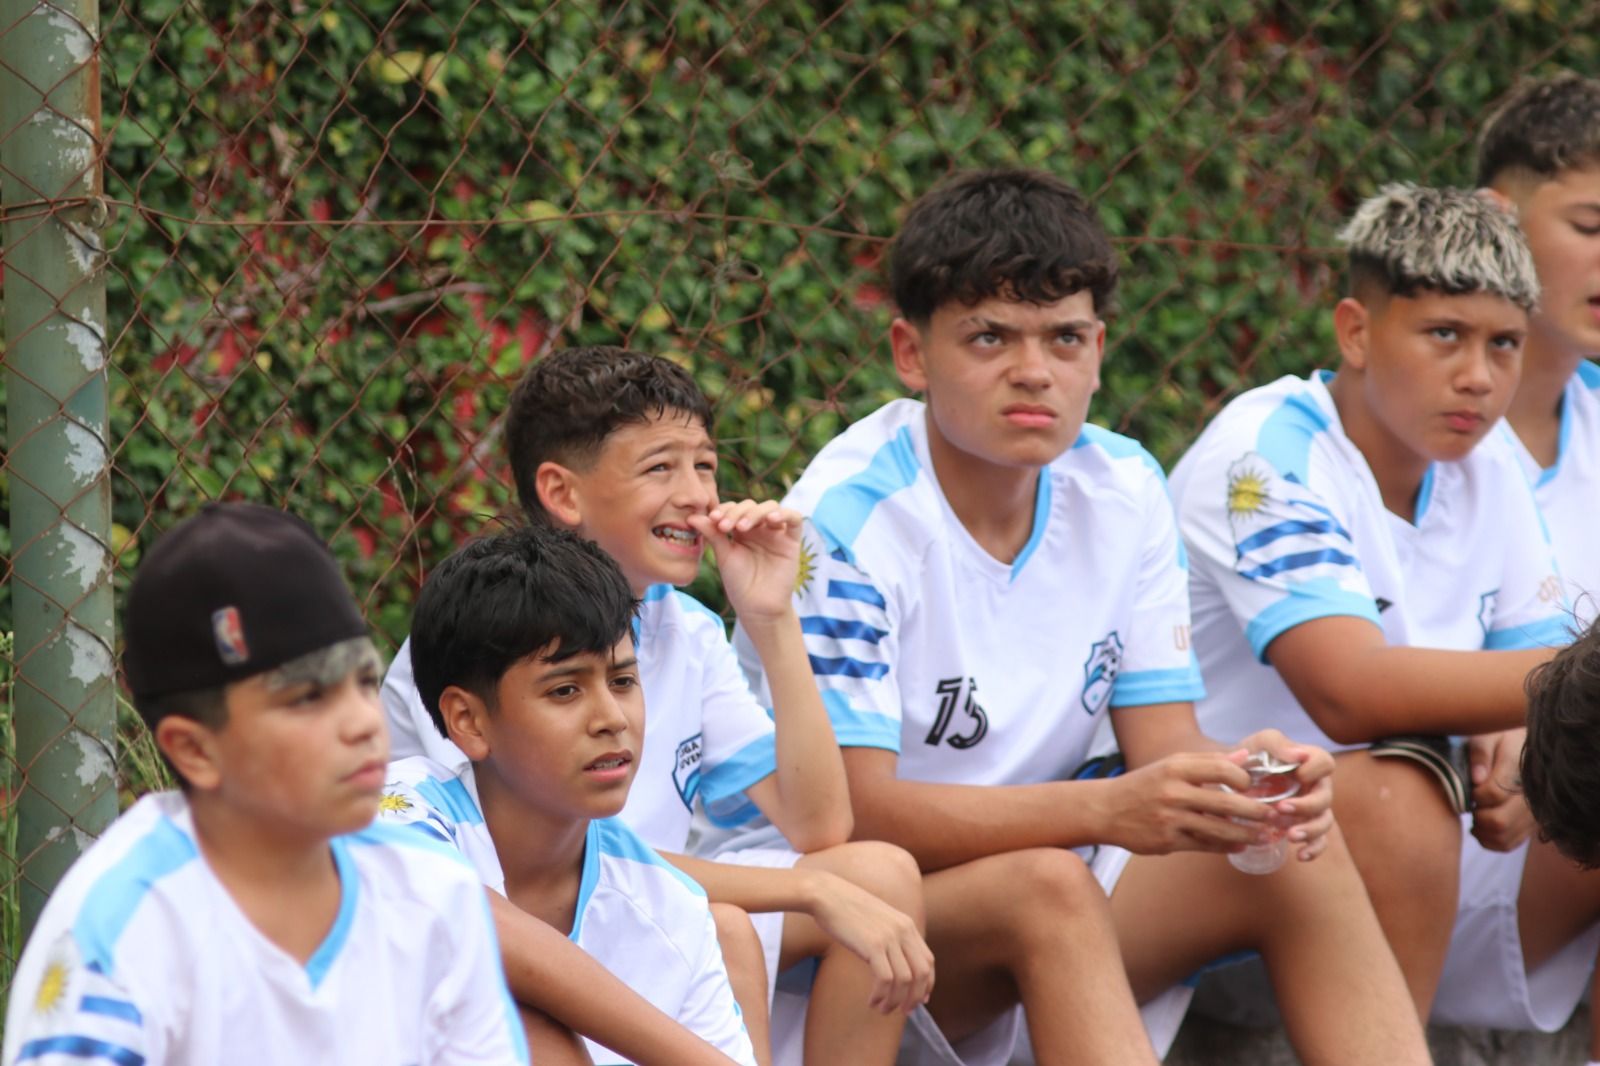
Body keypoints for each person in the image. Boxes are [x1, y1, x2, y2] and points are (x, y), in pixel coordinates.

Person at [714, 167, 1430, 1066]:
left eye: (1064, 338)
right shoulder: (846, 523)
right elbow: (854, 819)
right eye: (989, 337)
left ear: (1099, 349)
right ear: (911, 353)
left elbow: (1164, 742)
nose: (1034, 371)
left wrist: (1243, 778)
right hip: (837, 942)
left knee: (1281, 843)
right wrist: (1102, 808)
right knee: (1045, 888)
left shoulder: (1124, 484)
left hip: (1045, 892)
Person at [383, 348, 934, 1066]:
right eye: (660, 468)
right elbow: (522, 870)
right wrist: (808, 891)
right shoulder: (480, 649)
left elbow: (820, 824)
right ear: (563, 493)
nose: (698, 495)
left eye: (706, 465)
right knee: (712, 934)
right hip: (512, 935)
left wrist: (771, 618)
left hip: (627, 906)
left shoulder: (687, 627)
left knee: (868, 878)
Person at [1173, 182, 1600, 1037]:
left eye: (1504, 344)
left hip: (1428, 855)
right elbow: (1351, 691)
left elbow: (1539, 675)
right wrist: (1543, 700)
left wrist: (1519, 758)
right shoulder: (1264, 456)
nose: (1478, 377)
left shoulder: (1489, 460)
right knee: (1402, 790)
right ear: (1356, 332)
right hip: (1214, 854)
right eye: (1445, 334)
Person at [2, 503, 528, 1066]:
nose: (362, 721)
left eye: (363, 680)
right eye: (308, 698)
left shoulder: (434, 894)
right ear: (195, 750)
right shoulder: (118, 936)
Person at [379, 525, 760, 1066]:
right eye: (565, 690)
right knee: (531, 1028)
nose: (611, 718)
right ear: (468, 720)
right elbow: (472, 920)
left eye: (623, 681)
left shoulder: (672, 909)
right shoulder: (403, 809)